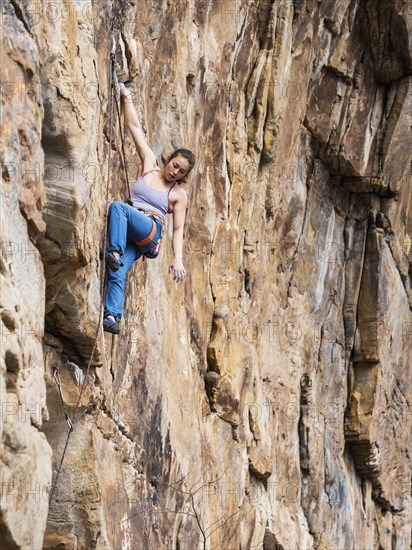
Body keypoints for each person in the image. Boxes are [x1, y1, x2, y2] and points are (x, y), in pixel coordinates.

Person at [103, 83, 195, 335]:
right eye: (175, 165)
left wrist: (177, 258)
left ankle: (114, 250)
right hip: (131, 229)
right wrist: (126, 97)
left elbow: (178, 230)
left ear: (184, 175)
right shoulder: (150, 164)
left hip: (149, 229)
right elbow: (134, 129)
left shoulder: (178, 194)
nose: (175, 171)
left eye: (181, 171)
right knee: (117, 271)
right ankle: (111, 316)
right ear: (170, 158)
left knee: (119, 208)